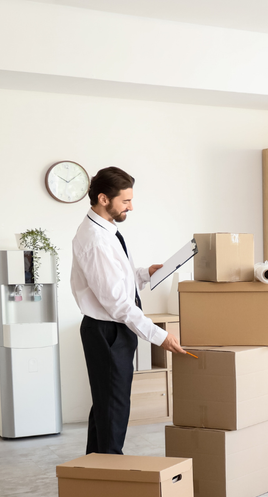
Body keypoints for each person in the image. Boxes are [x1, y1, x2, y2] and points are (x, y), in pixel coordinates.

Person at [71, 166, 186, 454]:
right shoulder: (96, 240)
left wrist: (145, 273)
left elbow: (115, 282)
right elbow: (117, 302)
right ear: (103, 198)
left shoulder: (106, 231)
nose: (131, 207)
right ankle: (111, 475)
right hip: (107, 331)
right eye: (126, 201)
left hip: (113, 329)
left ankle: (96, 470)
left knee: (106, 404)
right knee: (113, 407)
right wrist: (159, 336)